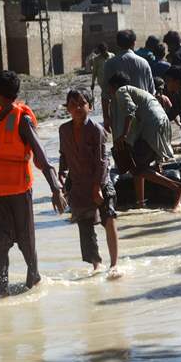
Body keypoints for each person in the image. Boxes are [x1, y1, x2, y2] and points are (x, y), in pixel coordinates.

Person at [0, 71, 67, 297]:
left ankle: (34, 280)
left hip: (19, 191)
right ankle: (1, 291)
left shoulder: (22, 120)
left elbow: (41, 154)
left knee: (26, 242)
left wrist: (56, 188)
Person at [108, 72, 181, 210]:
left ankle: (177, 187)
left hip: (153, 125)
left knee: (137, 169)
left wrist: (123, 136)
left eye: (109, 88)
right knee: (139, 165)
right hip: (161, 123)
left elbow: (130, 111)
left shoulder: (121, 91)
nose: (109, 92)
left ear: (114, 86)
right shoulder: (137, 92)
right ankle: (140, 203)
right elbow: (137, 120)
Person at [59, 89, 119, 270]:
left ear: (90, 107)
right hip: (78, 182)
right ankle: (96, 265)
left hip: (100, 180)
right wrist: (62, 173)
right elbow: (64, 154)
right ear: (67, 109)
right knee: (84, 226)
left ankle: (114, 265)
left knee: (109, 218)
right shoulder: (64, 130)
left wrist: (97, 187)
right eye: (72, 105)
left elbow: (102, 161)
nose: (77, 108)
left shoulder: (96, 130)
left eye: (81, 104)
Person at [103, 30, 155, 131]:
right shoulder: (144, 63)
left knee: (122, 145)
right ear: (134, 43)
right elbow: (151, 92)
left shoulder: (110, 64)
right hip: (143, 117)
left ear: (117, 44)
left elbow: (105, 94)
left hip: (120, 119)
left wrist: (106, 117)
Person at [91, 42, 115, 110]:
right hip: (102, 81)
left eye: (104, 51)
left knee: (113, 95)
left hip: (112, 79)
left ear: (106, 49)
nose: (103, 53)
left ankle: (113, 109)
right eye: (101, 52)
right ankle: (107, 110)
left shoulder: (112, 55)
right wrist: (92, 83)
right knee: (106, 96)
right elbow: (94, 72)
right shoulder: (96, 59)